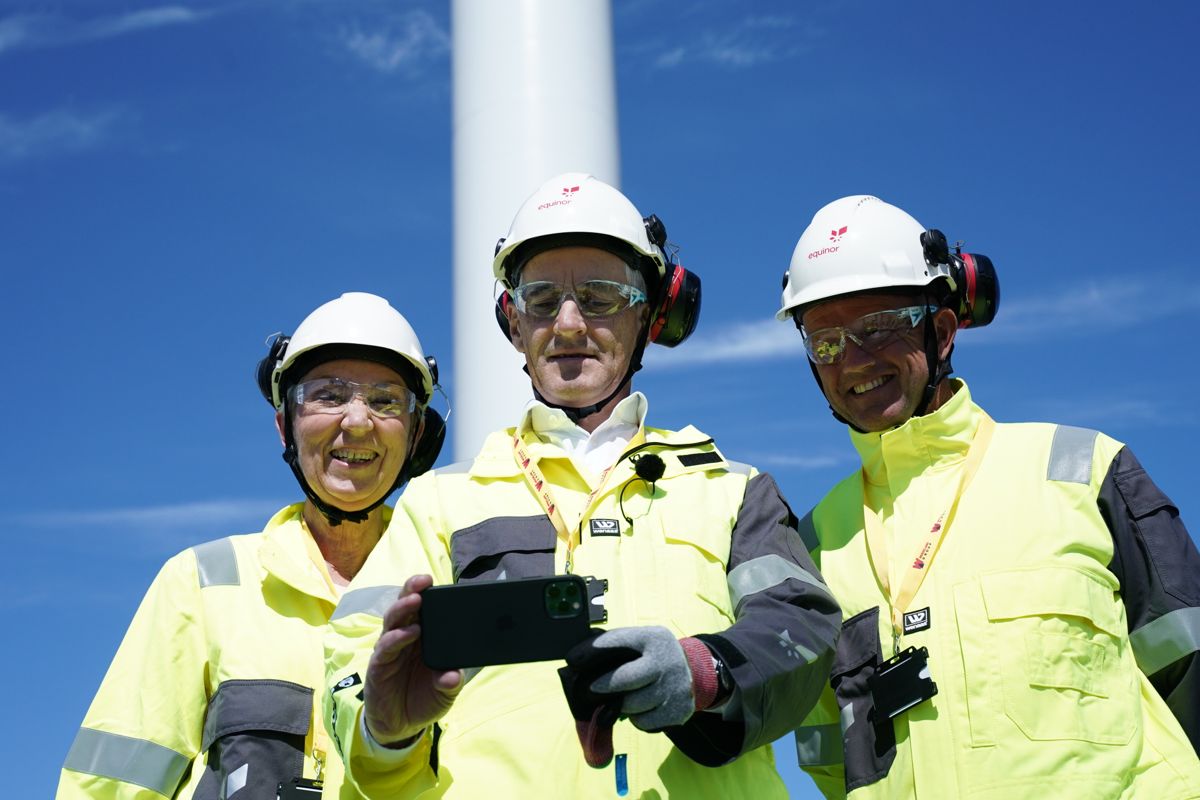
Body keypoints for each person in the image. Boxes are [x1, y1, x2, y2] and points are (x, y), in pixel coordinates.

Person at [324, 173, 841, 798]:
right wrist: (383, 730)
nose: (568, 323)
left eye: (599, 297)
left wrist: (705, 671)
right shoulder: (439, 500)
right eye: (542, 299)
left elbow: (804, 630)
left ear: (649, 315)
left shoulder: (735, 491)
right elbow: (351, 667)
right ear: (513, 322)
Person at [779, 195, 1200, 798]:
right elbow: (828, 757)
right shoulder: (815, 542)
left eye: (878, 328)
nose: (853, 361)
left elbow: (1190, 669)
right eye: (825, 342)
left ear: (942, 329)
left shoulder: (1083, 471)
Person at [58, 292, 445, 799]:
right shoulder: (202, 583)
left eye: (385, 401)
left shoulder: (450, 582)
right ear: (285, 425)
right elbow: (111, 785)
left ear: (416, 435)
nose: (357, 421)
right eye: (328, 395)